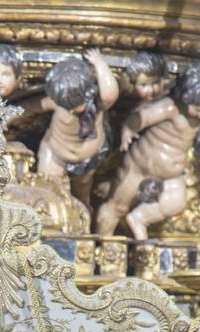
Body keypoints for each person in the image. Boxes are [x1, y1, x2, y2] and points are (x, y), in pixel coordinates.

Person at [96, 63, 200, 239]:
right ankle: (102, 244)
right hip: (139, 168)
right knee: (116, 206)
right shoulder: (171, 108)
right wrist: (128, 129)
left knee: (177, 201)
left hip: (171, 176)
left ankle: (139, 219)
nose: (199, 113)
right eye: (197, 107)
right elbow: (143, 117)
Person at [31, 51, 119, 216]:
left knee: (83, 189)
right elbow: (31, 106)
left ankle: (84, 215)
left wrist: (100, 63)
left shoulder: (97, 103)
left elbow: (110, 95)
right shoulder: (59, 102)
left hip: (89, 157)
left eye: (75, 104)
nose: (70, 109)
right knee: (48, 189)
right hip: (55, 153)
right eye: (65, 105)